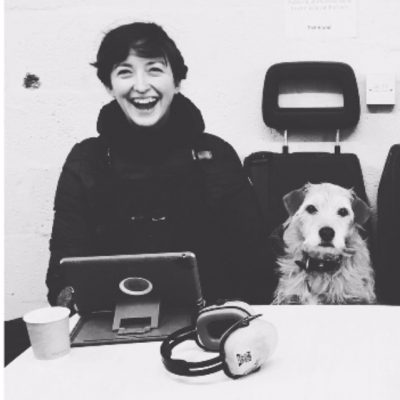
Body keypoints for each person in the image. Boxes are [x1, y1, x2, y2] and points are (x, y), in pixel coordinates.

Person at [46, 22, 273, 308]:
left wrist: (227, 315)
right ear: (109, 85)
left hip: (205, 325)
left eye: (154, 69)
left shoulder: (215, 155)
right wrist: (72, 299)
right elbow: (62, 274)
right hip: (110, 325)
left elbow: (256, 265)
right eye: (125, 72)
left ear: (176, 81)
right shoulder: (86, 160)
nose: (141, 86)